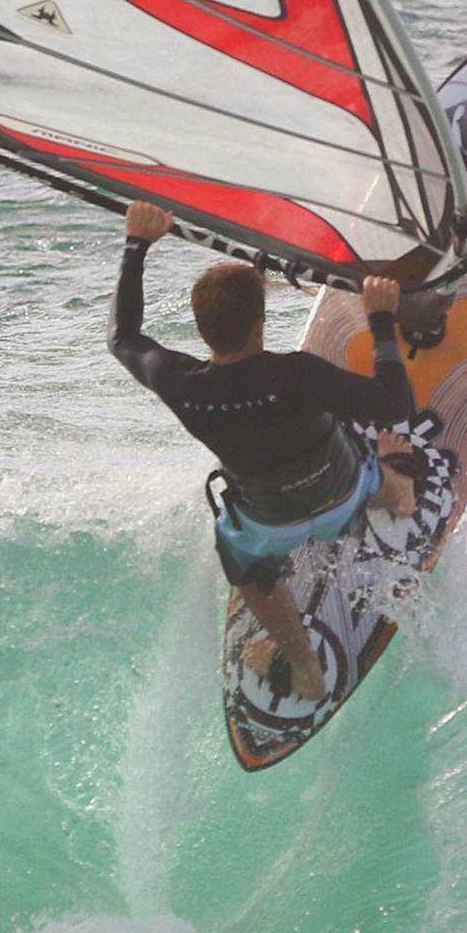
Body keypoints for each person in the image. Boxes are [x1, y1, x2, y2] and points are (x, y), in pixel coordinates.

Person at [109, 199, 418, 700]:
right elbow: (394, 404)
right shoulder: (296, 374)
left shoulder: (179, 383)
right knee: (369, 462)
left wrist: (136, 243)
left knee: (242, 565)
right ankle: (399, 493)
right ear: (259, 327)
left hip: (271, 526)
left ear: (202, 328)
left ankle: (304, 666)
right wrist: (380, 320)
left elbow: (123, 336)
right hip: (344, 493)